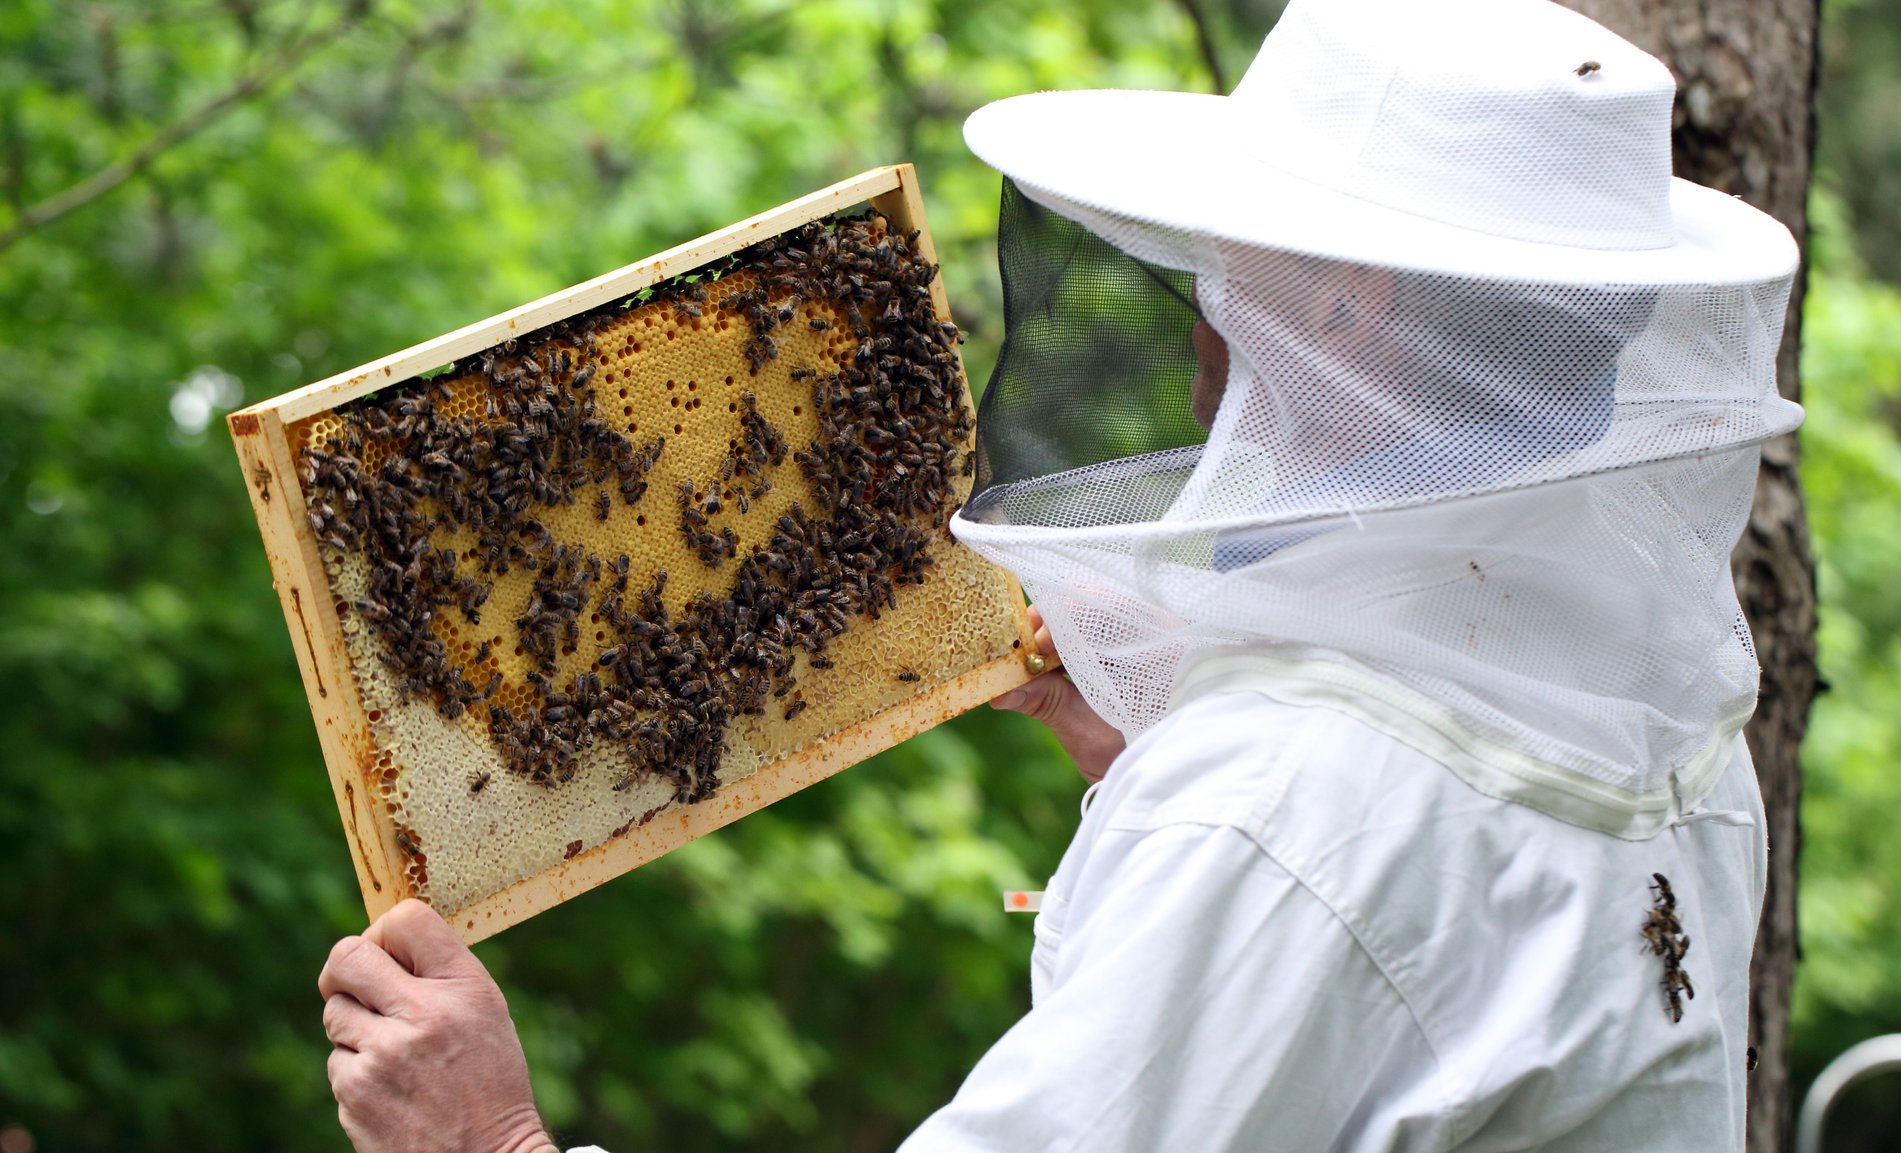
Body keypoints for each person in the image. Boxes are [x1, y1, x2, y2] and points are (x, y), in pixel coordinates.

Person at [318, 0, 1805, 1149]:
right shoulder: (1665, 737)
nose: (1212, 311)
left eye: (1246, 255)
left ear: (1347, 301)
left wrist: (493, 1136)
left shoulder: (1284, 814)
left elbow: (1332, 870)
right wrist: (1154, 758)